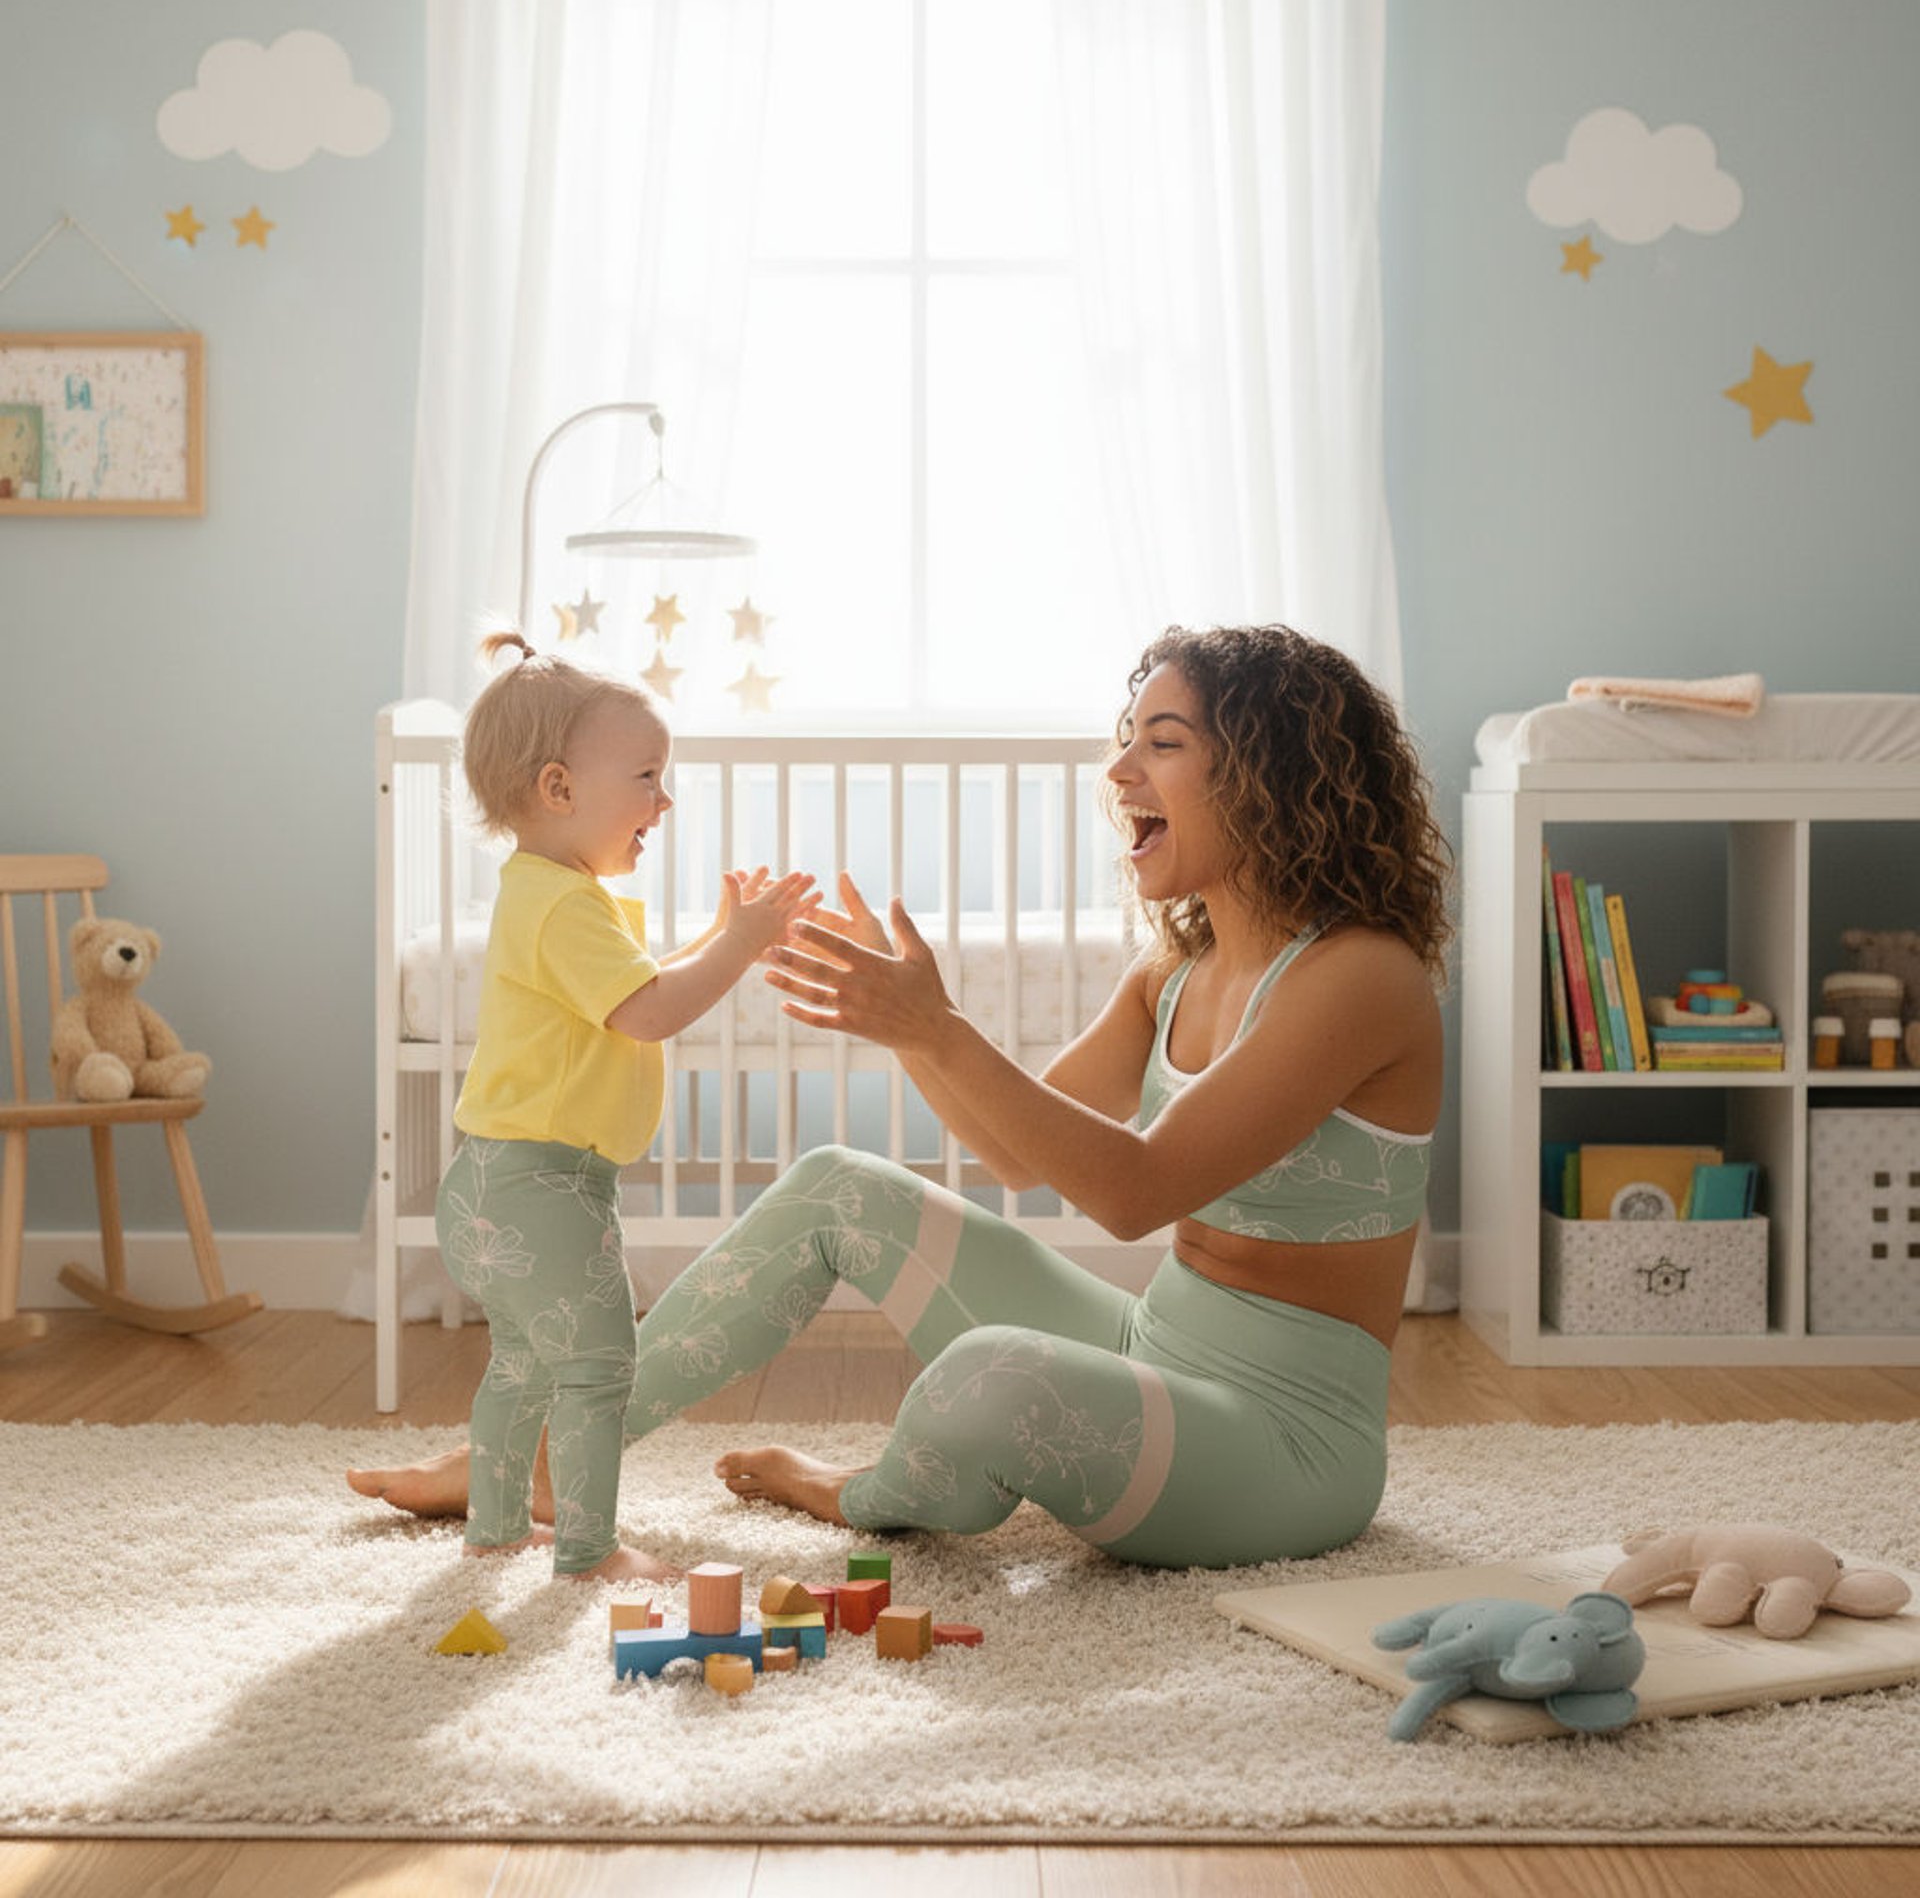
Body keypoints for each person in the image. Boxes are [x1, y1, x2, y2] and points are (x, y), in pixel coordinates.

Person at [350, 622, 1449, 1569]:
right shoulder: (1173, 973)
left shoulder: (1362, 978)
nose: (1119, 773)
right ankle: (543, 1465)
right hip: (1153, 1344)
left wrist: (937, 1027)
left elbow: (1133, 1189)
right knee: (839, 1187)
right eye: (1126, 742)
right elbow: (1020, 1156)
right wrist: (907, 1027)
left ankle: (860, 1496)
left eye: (1162, 747)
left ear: (1275, 776)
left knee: (996, 1378)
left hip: (1286, 1440)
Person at [415, 631, 815, 1584]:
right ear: (559, 789)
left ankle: (498, 1528)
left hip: (490, 1181)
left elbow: (633, 988)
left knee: (520, 1366)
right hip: (544, 1188)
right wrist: (742, 941)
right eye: (646, 777)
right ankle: (588, 1551)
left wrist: (726, 936)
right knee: (600, 1370)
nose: (663, 802)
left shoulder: (546, 894)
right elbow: (651, 1009)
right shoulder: (565, 907)